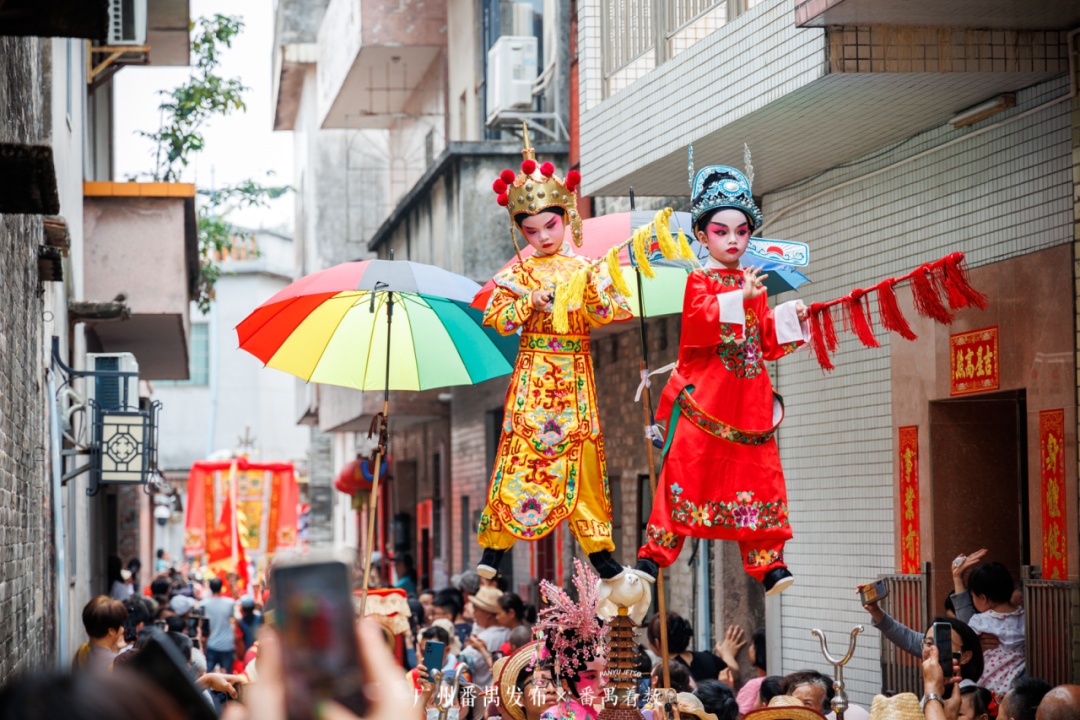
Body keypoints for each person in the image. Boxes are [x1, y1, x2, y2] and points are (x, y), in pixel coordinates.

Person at [635, 163, 809, 595]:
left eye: (741, 231)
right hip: (706, 397)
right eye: (721, 231)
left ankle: (768, 565)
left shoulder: (753, 283)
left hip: (748, 398)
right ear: (702, 235)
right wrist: (739, 298)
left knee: (758, 474)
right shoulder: (698, 280)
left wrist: (790, 316)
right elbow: (698, 328)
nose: (732, 240)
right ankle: (653, 558)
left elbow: (763, 341)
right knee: (684, 470)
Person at [477, 127, 632, 582]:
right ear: (519, 231)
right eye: (531, 230)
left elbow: (612, 310)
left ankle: (600, 550)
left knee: (583, 452)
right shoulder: (517, 272)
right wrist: (530, 302)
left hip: (575, 373)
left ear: (567, 218)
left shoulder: (586, 268)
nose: (543, 236)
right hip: (533, 373)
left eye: (551, 225)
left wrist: (586, 294)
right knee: (520, 450)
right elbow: (498, 319)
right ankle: (494, 547)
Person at [966, 562, 1025, 695]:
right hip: (1016, 681)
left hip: (986, 684)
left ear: (983, 598)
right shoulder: (1025, 617)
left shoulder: (979, 621)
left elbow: (964, 645)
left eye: (973, 596)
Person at [647, 613, 728, 684]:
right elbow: (733, 672)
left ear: (657, 643)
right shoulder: (708, 658)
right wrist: (727, 655)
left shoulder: (663, 674)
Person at [462, 586, 510, 688]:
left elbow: (463, 659)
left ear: (488, 614)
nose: (474, 614)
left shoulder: (484, 638)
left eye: (476, 610)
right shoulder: (507, 632)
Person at [72, 596, 128, 672]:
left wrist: (115, 649)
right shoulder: (116, 664)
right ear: (111, 631)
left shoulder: (82, 651)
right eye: (121, 625)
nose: (122, 629)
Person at [200, 576, 236, 672]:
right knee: (227, 678)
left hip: (211, 644)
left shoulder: (203, 604)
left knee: (207, 676)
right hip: (227, 644)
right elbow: (234, 618)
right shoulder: (230, 603)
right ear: (221, 587)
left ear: (210, 588)